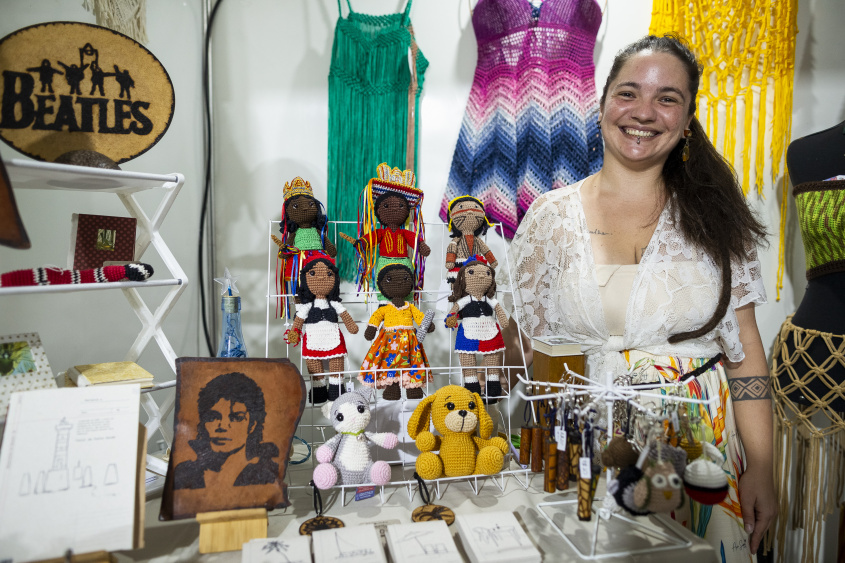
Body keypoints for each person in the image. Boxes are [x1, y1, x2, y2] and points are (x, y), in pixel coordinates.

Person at [506, 34, 776, 561]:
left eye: (667, 98)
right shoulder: (549, 218)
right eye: (629, 93)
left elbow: (745, 352)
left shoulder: (716, 217)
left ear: (687, 116)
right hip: (584, 448)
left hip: (699, 456)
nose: (644, 112)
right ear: (604, 101)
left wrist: (763, 466)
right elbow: (524, 350)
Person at [174, 372, 279, 489]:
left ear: (252, 424)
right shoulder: (185, 472)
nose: (222, 426)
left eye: (236, 417)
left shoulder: (266, 473)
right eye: (213, 417)